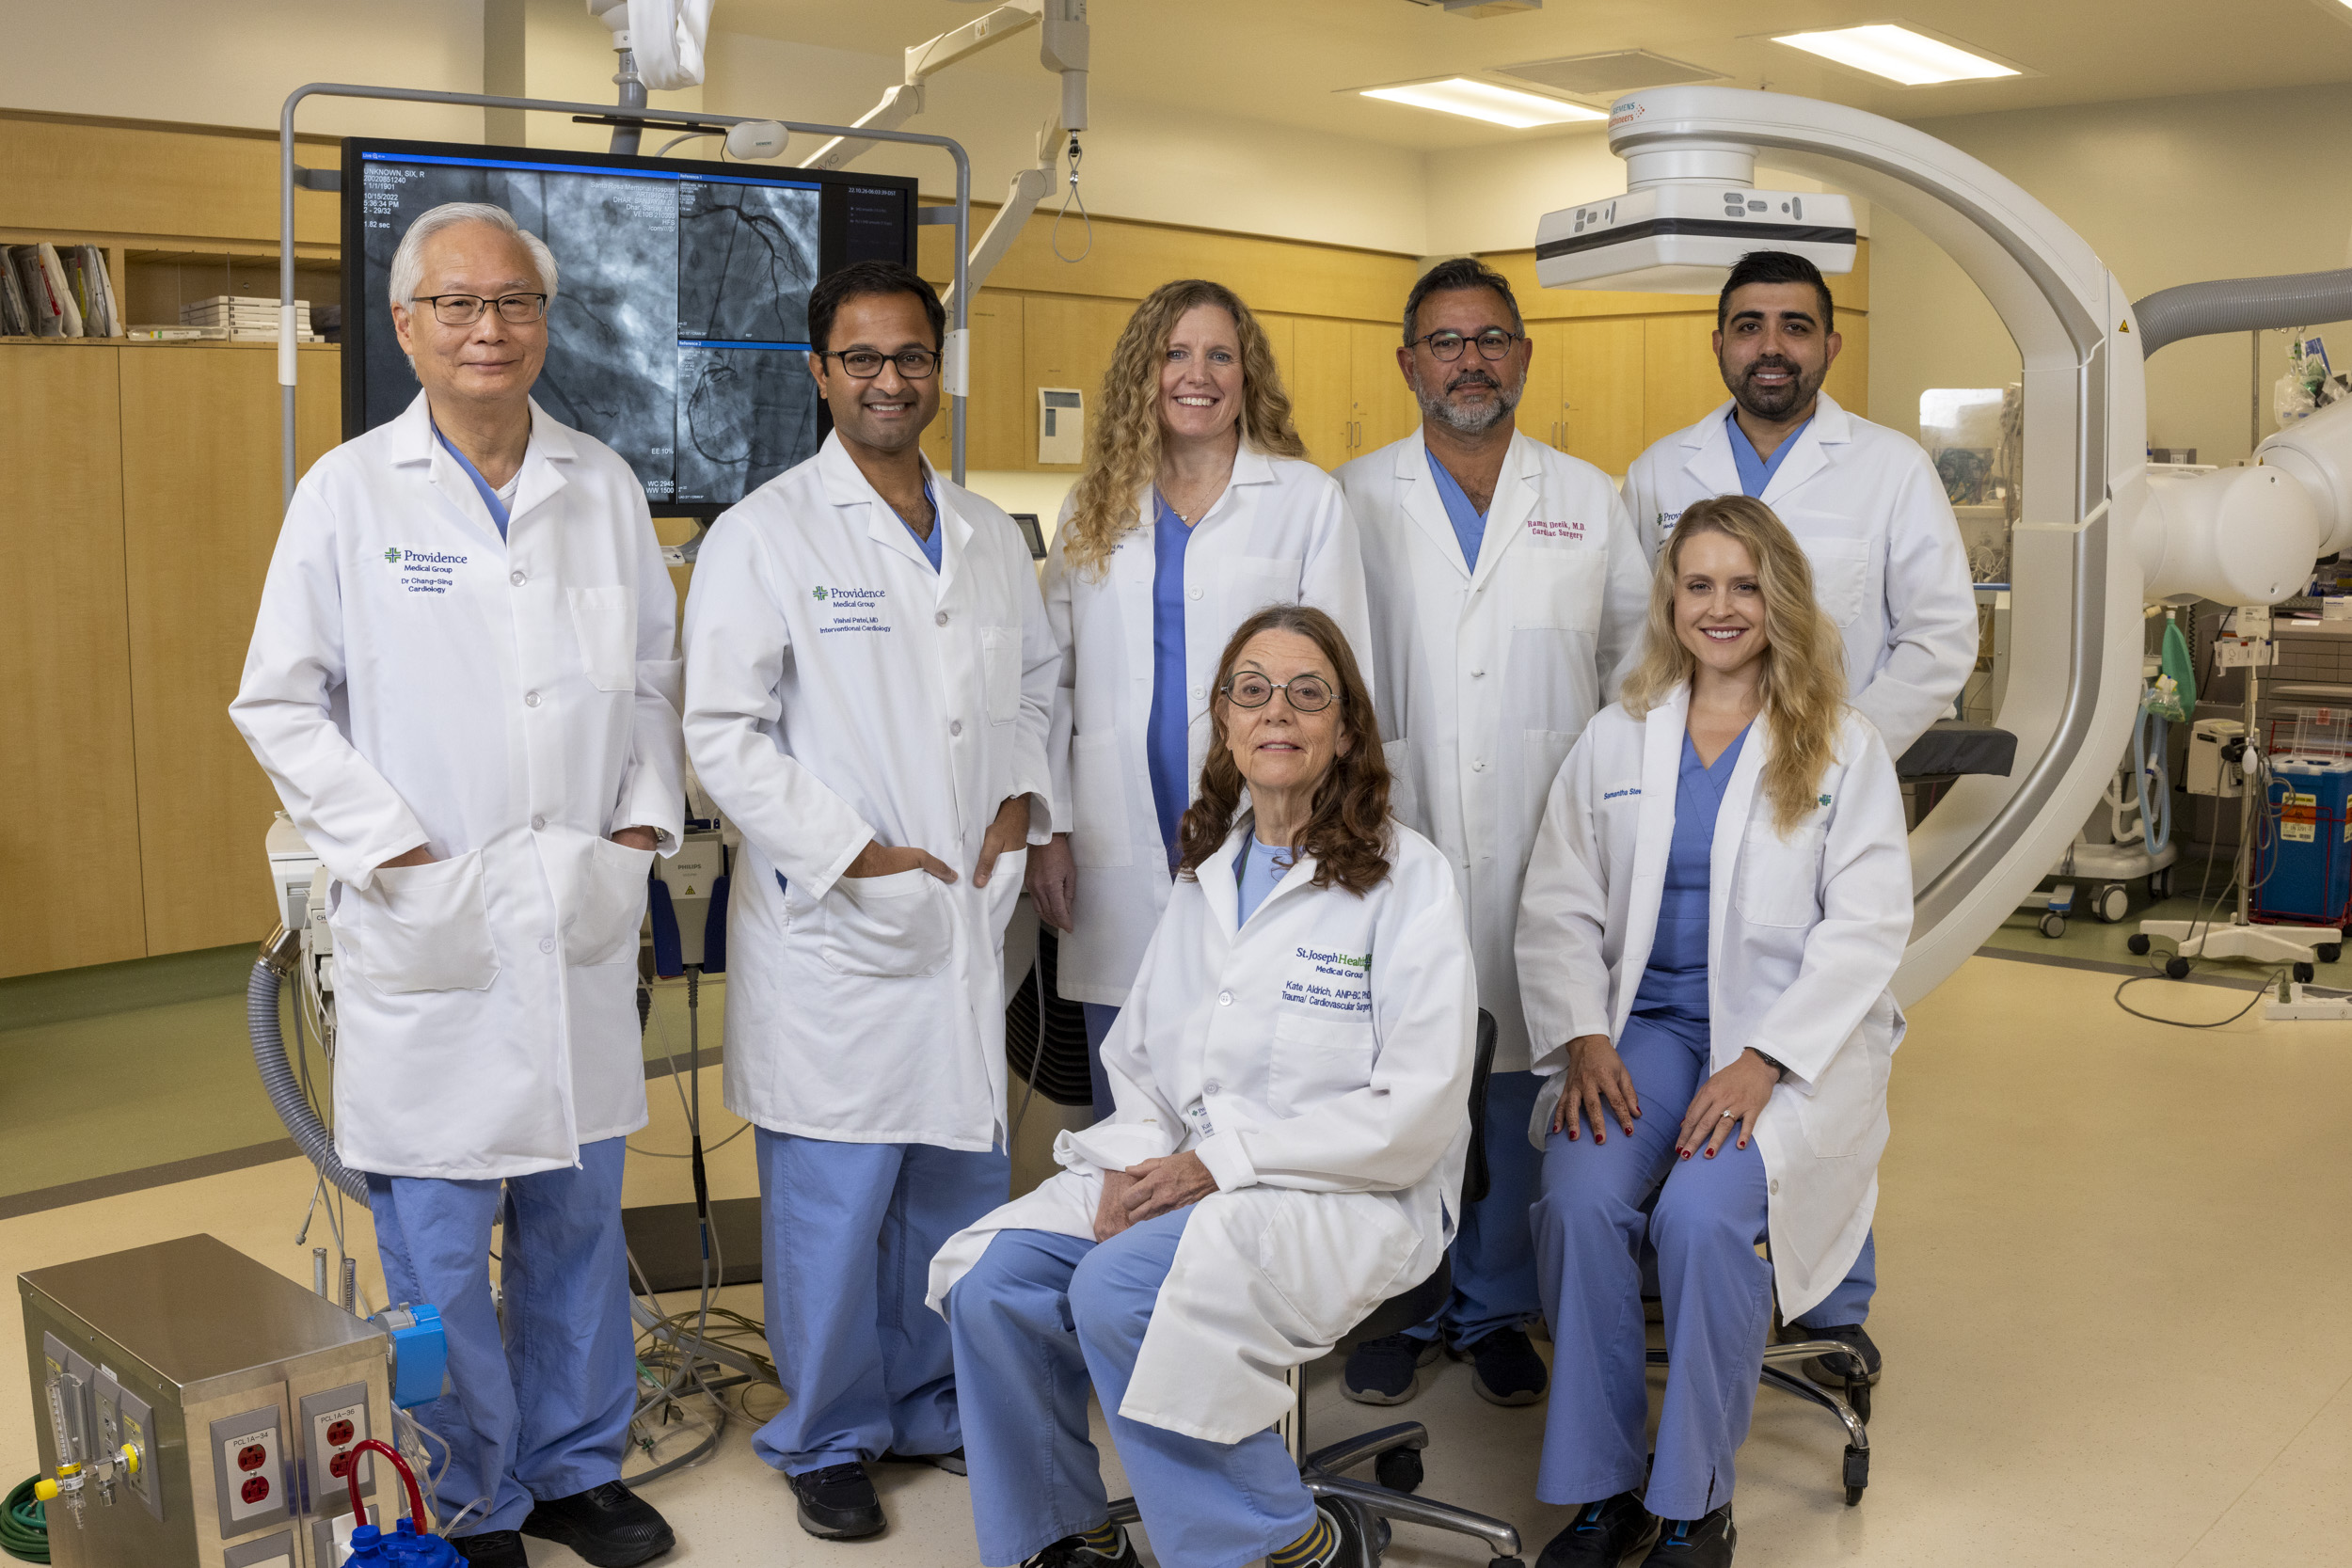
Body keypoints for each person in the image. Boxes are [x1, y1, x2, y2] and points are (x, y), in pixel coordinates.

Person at [231, 201, 682, 1568]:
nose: (489, 329)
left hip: (578, 923)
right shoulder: (349, 492)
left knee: (575, 1219)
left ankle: (573, 1465)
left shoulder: (600, 484)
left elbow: (655, 684)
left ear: (544, 322)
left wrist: (641, 837)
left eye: (514, 304)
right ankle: (463, 1489)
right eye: (458, 305)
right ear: (409, 325)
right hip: (431, 929)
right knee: (435, 1252)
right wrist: (398, 847)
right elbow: (278, 700)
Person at [931, 605, 1475, 1568]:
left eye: (1308, 692)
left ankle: (1283, 1540)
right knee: (993, 1281)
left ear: (1344, 728)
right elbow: (1143, 1071)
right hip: (1197, 1172)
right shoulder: (1205, 874)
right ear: (1224, 721)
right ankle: (1069, 1535)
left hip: (1344, 1192)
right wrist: (1128, 1168)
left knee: (1119, 1288)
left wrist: (1215, 1164)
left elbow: (1416, 1114)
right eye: (1251, 689)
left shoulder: (1410, 881)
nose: (1278, 710)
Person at [680, 260, 1057, 1541]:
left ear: (937, 368)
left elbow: (1039, 689)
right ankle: (828, 1430)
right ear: (818, 371)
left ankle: (929, 1396)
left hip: (964, 917)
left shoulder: (994, 534)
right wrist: (857, 854)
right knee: (837, 1206)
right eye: (861, 358)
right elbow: (722, 737)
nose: (888, 379)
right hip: (843, 926)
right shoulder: (765, 533)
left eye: (910, 357)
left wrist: (1024, 796)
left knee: (954, 1185)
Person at [1514, 496, 1911, 1567]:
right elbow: (1557, 900)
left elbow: (1867, 924)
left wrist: (1765, 1057)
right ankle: (1603, 1489)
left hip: (1779, 1042)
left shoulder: (1839, 745)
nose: (1721, 606)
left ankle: (1693, 1496)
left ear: (1778, 597)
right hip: (1643, 1024)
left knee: (1697, 1218)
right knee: (1581, 1193)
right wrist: (1583, 1036)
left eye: (1745, 584)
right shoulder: (1617, 735)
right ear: (1671, 599)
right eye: (1699, 584)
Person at [1621, 249, 1973, 1387]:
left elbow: (1940, 639)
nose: (1770, 343)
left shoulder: (1890, 469)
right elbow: (1635, 642)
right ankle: (1686, 1271)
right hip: (1690, 786)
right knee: (1682, 1034)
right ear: (1717, 342)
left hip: (1822, 803)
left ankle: (1833, 1303)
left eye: (1794, 325)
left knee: (1827, 1060)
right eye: (1747, 325)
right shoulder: (1656, 470)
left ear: (1828, 342)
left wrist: (1829, 748)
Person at [1334, 256, 1651, 1409]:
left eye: (1490, 339)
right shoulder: (1351, 497)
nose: (1469, 360)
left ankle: (1493, 1303)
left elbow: (1635, 673)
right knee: (1405, 1083)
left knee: (1525, 1083)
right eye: (1445, 341)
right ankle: (1397, 1301)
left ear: (1522, 354)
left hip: (1548, 835)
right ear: (1407, 360)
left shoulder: (1589, 496)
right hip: (1395, 835)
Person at [1025, 278, 1371, 1118]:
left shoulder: (1305, 501)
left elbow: (1337, 687)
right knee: (1129, 1118)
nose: (1198, 373)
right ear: (1144, 374)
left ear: (1247, 374)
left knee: (1251, 1103)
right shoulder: (1094, 508)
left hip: (1266, 842)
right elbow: (1051, 683)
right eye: (1175, 353)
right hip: (1115, 846)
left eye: (1220, 354)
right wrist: (1050, 830)